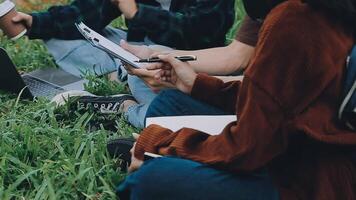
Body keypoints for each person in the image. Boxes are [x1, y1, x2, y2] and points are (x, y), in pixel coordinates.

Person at [117, 0, 356, 199]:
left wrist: (162, 142)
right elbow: (276, 97)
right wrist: (197, 85)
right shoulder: (321, 10)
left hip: (310, 182)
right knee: (169, 103)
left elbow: (245, 149)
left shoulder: (294, 20)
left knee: (152, 180)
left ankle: (149, 153)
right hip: (300, 147)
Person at [12, 0, 236, 128]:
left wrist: (138, 14)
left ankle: (127, 99)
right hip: (136, 48)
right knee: (61, 35)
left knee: (156, 90)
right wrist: (35, 22)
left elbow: (204, 33)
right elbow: (87, 11)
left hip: (189, 57)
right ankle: (118, 71)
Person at [51, 16, 261, 128]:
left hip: (260, 105)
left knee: (167, 107)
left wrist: (195, 83)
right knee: (156, 61)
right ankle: (133, 82)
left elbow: (269, 93)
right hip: (239, 84)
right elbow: (235, 55)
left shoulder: (289, 15)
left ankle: (127, 109)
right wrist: (160, 57)